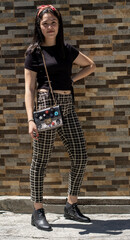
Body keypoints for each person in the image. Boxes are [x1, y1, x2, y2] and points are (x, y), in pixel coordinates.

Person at [24, 5, 96, 231]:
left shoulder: (66, 49)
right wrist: (30, 120)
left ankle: (70, 205)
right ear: (39, 26)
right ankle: (37, 211)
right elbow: (29, 89)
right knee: (41, 160)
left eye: (53, 22)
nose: (49, 27)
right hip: (46, 106)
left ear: (59, 24)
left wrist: (71, 81)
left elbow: (91, 66)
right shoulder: (34, 53)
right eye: (45, 23)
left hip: (67, 106)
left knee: (80, 155)